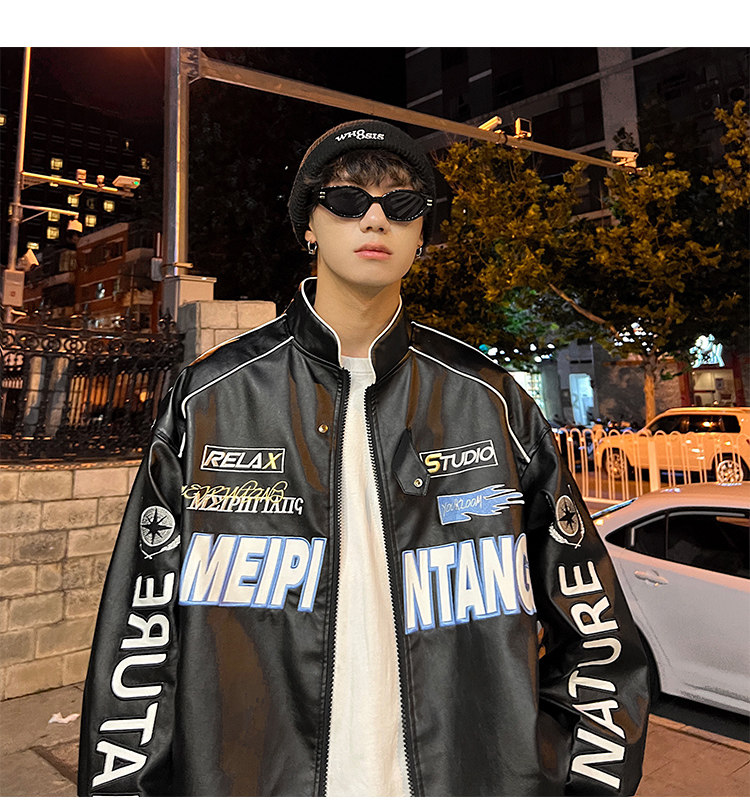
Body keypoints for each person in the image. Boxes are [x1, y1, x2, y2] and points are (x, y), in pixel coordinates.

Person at [78, 119, 649, 797]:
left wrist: (576, 783)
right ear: (309, 226)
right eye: (348, 200)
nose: (375, 219)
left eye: (401, 205)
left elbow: (597, 635)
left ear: (421, 234)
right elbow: (139, 642)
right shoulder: (208, 400)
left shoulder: (493, 403)